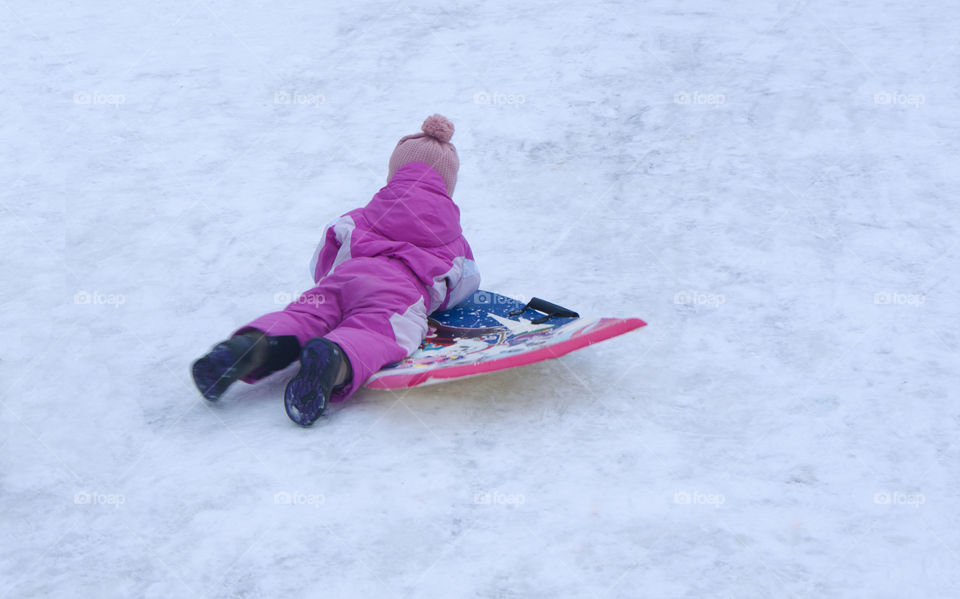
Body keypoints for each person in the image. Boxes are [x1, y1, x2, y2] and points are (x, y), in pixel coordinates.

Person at [192, 114, 480, 426]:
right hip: (398, 296)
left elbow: (324, 257)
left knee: (300, 317)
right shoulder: (453, 241)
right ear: (448, 186)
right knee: (373, 332)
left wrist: (330, 283)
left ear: (394, 173)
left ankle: (248, 348)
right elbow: (465, 285)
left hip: (342, 280)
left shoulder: (361, 215)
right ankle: (334, 360)